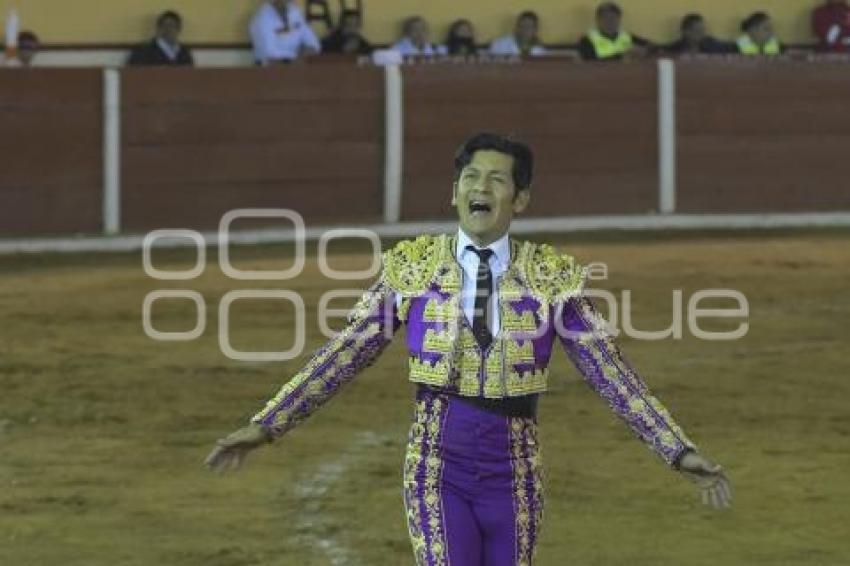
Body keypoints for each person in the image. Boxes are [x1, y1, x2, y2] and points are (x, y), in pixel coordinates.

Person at [205, 132, 732, 565]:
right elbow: (346, 353)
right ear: (454, 192)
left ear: (519, 199)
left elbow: (610, 373)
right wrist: (268, 423)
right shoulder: (412, 269)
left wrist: (677, 450)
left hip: (516, 467)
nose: (481, 187)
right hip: (436, 463)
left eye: (497, 179)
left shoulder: (552, 279)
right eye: (470, 177)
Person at [250, 0, 321, 64]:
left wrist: (307, 51)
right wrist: (298, 57)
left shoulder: (295, 12)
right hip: (269, 71)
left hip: (297, 66)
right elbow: (271, 55)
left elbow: (314, 44)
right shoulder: (261, 19)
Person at [577, 2, 653, 61]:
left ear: (619, 19)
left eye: (613, 17)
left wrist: (644, 51)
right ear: (598, 20)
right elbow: (590, 62)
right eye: (605, 17)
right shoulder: (587, 40)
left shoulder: (627, 36)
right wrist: (623, 56)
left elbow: (652, 47)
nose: (609, 21)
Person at [127, 11, 194, 66]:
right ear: (158, 28)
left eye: (171, 26)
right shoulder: (142, 51)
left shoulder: (184, 53)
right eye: (164, 25)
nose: (168, 29)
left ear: (179, 29)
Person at [665, 13, 735, 56]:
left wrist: (745, 40)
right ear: (685, 32)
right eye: (698, 31)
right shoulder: (675, 49)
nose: (702, 34)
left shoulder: (711, 44)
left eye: (703, 30)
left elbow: (734, 47)